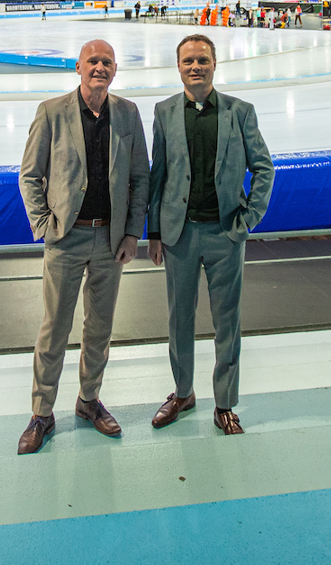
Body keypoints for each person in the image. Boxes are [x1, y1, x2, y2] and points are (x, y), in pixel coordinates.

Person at [15, 39, 150, 455]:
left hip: (111, 239)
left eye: (107, 61)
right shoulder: (52, 112)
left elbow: (140, 177)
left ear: (115, 70)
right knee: (55, 328)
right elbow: (29, 175)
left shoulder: (127, 113)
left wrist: (132, 233)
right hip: (66, 238)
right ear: (78, 67)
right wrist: (44, 225)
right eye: (93, 60)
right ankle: (42, 413)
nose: (99, 67)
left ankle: (89, 400)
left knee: (100, 328)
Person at [146, 34, 275, 436]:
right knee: (179, 320)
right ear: (178, 67)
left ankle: (224, 403)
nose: (195, 67)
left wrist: (249, 218)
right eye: (188, 61)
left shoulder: (240, 112)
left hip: (225, 233)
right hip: (179, 235)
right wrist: (154, 232)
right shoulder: (164, 112)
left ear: (215, 64)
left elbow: (264, 167)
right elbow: (158, 175)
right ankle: (183, 393)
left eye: (202, 60)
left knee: (227, 323)